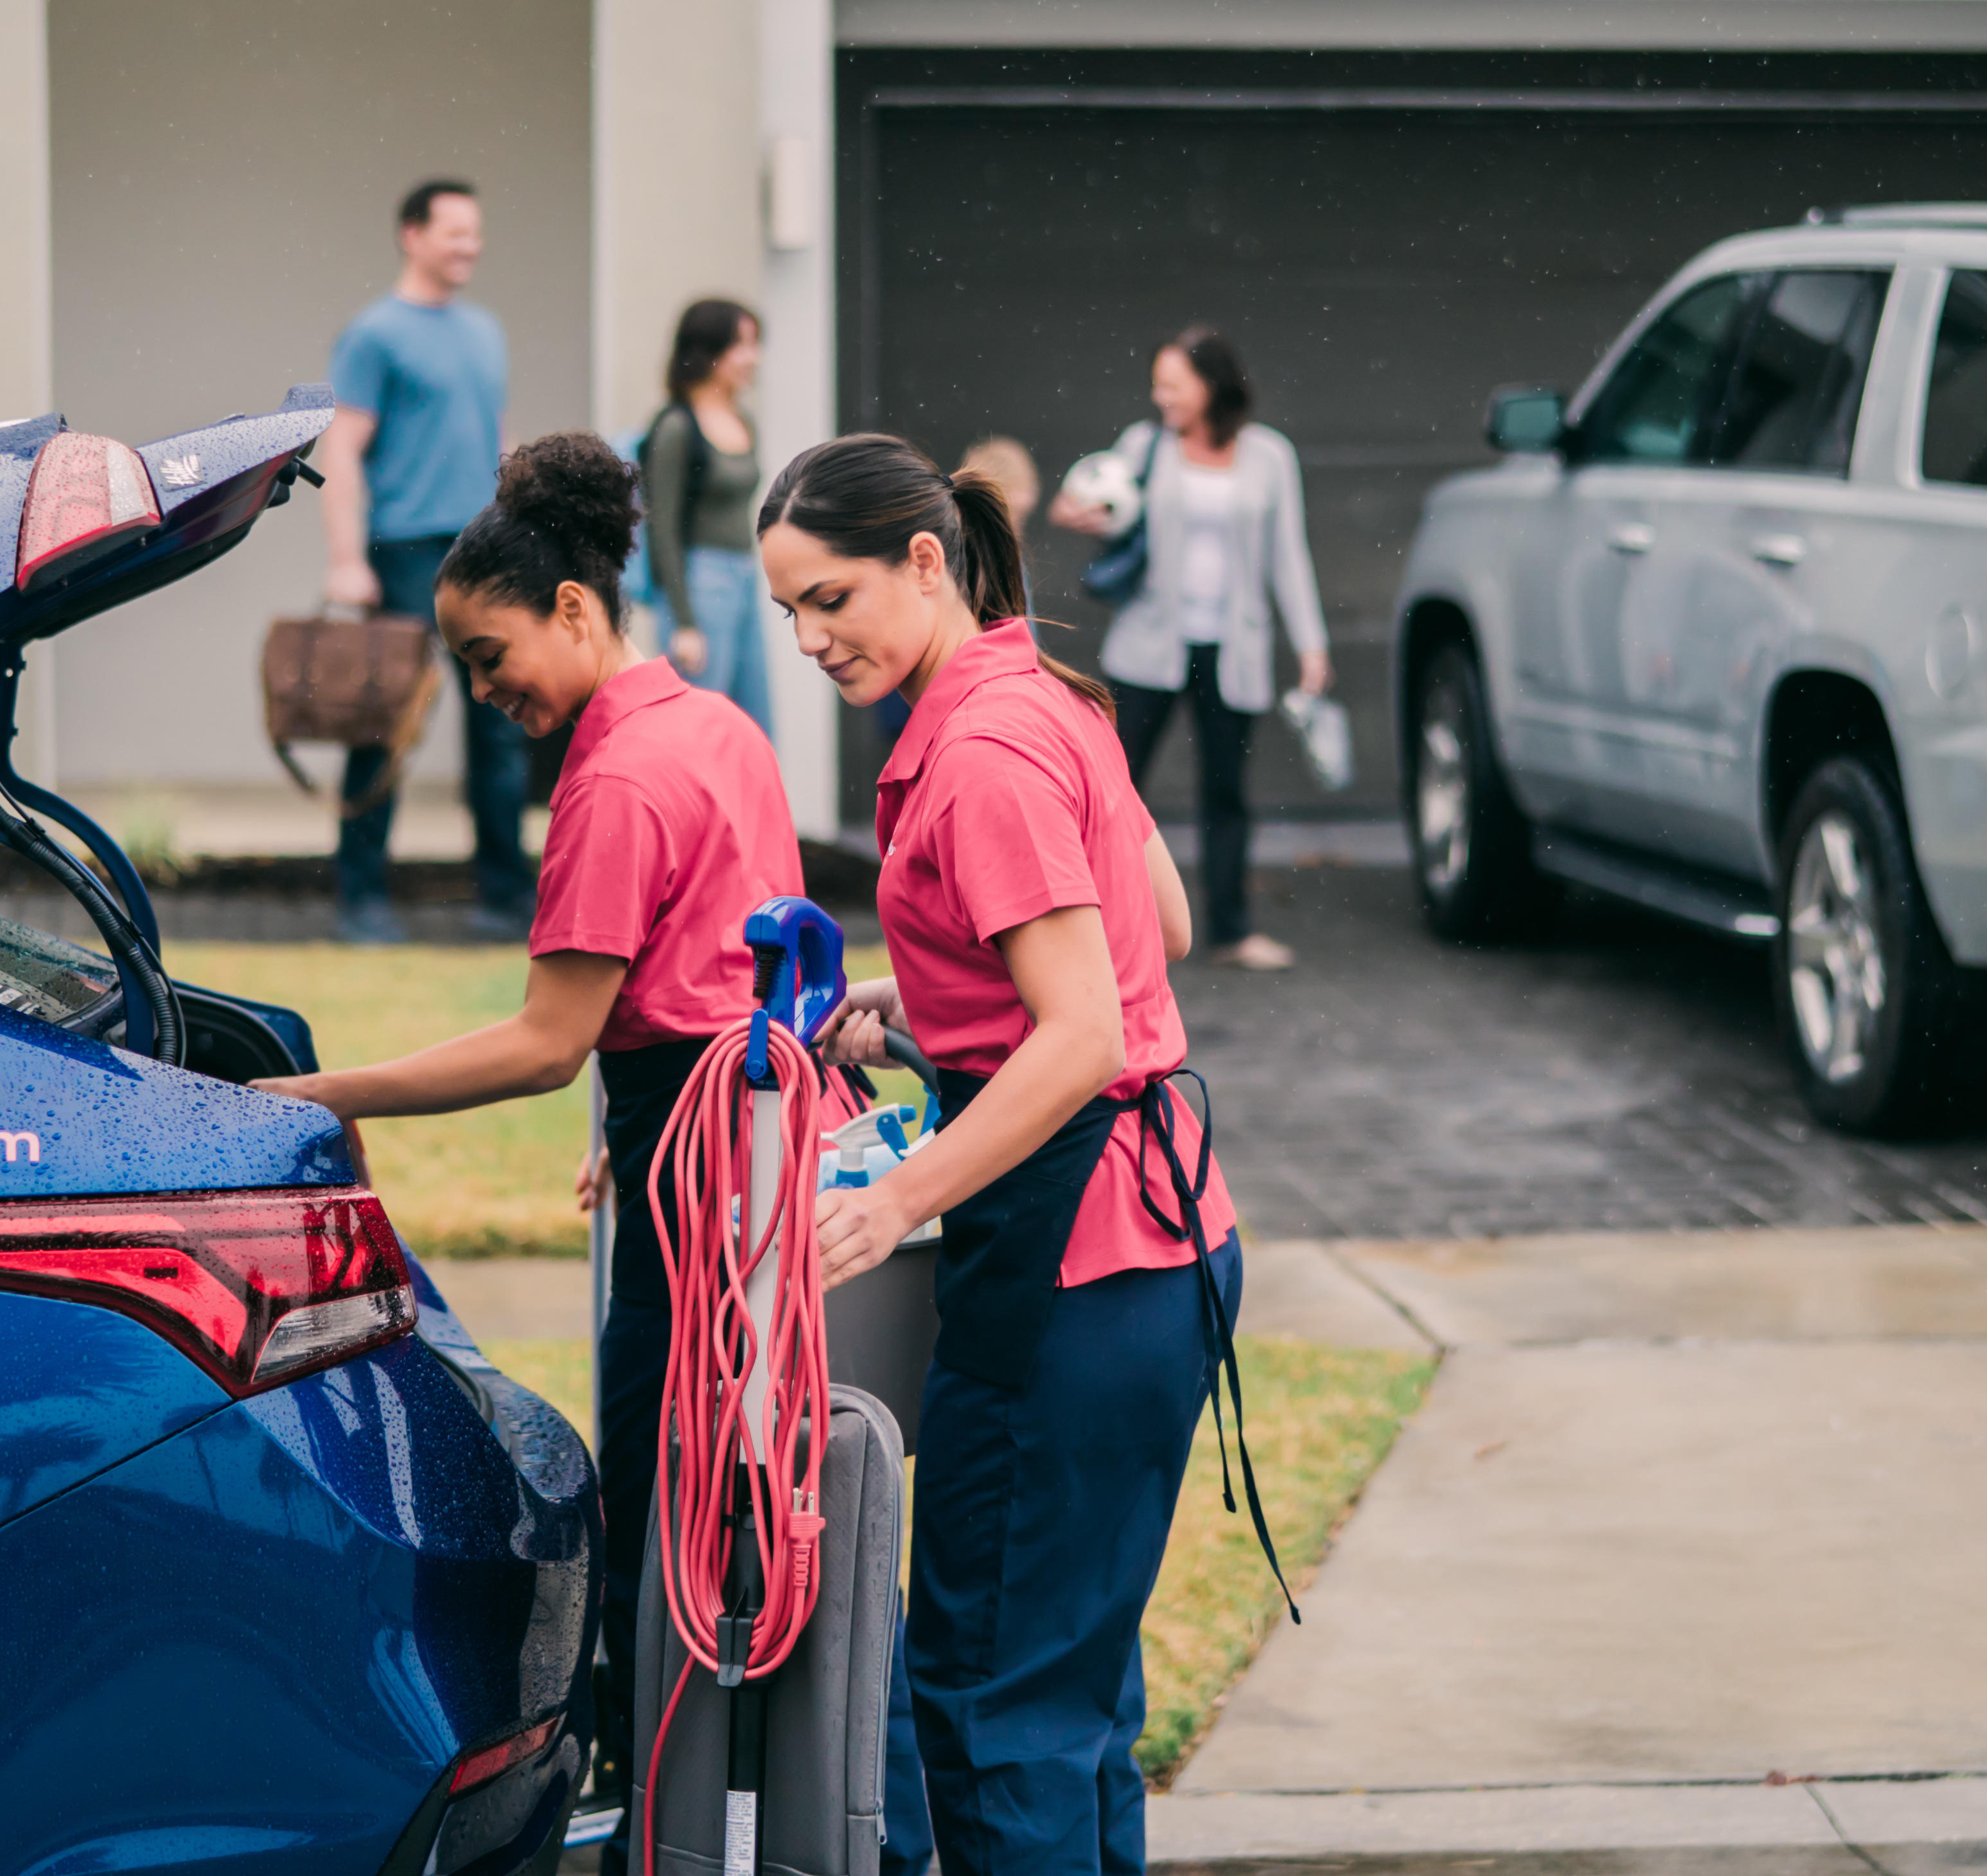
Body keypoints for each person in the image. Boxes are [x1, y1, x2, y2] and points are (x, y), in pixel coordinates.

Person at [253, 433, 928, 1876]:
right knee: (759, 1497)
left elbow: (548, 1035)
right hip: (753, 1149)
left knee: (666, 1520)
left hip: (695, 1181)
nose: (489, 697)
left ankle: (667, 1828)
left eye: (494, 657)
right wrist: (633, 1129)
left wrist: (319, 1086)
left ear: (574, 606)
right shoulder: (722, 724)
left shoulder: (612, 780)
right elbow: (725, 984)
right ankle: (791, 1819)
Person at [760, 435, 1265, 1876]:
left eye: (834, 597)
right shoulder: (1042, 694)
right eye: (792, 608)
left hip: (1079, 1268)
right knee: (1074, 1691)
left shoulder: (975, 750)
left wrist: (896, 1195)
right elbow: (1149, 924)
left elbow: (1086, 1034)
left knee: (991, 1701)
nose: (812, 637)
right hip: (1167, 1249)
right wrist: (927, 1007)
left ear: (926, 559)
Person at [1051, 328, 1329, 972]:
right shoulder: (1145, 445)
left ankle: (1232, 931)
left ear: (1211, 385)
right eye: (1159, 384)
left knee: (1226, 792)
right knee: (1112, 787)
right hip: (1149, 643)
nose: (1161, 396)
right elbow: (1096, 501)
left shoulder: (1269, 456)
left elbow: (1289, 555)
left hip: (1236, 648)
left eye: (1174, 384)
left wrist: (1311, 644)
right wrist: (1074, 513)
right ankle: (1090, 925)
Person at [319, 180, 531, 944]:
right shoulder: (376, 334)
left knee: (503, 721)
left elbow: (498, 438)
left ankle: (507, 898)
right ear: (413, 235)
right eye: (454, 233)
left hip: (484, 547)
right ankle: (362, 900)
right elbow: (341, 447)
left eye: (476, 233)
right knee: (387, 722)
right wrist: (347, 559)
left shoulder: (486, 331)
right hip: (405, 549)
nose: (469, 245)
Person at [639, 298, 773, 735]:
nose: (753, 358)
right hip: (699, 583)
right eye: (743, 345)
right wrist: (685, 622)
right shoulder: (676, 427)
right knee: (700, 726)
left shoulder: (745, 421)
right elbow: (662, 528)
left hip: (744, 577)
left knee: (754, 724)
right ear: (709, 352)